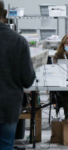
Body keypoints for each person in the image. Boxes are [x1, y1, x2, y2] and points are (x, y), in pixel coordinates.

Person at [0, 1, 35, 149]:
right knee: (6, 144)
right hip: (9, 106)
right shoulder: (19, 41)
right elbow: (27, 80)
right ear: (6, 14)